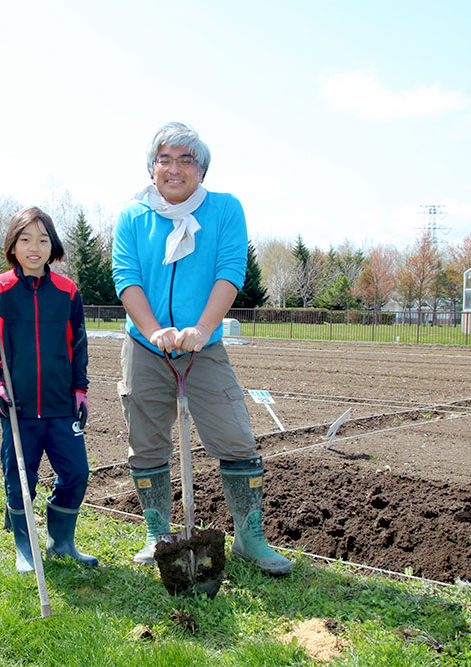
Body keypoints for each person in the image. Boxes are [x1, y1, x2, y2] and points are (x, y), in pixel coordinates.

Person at [111, 122, 292, 576]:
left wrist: (202, 328)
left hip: (203, 347)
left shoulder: (225, 210)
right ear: (152, 170)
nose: (175, 169)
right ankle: (157, 534)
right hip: (145, 346)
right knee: (147, 441)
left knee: (234, 436)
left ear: (202, 170)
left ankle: (250, 537)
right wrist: (154, 331)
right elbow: (126, 279)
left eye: (186, 160)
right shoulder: (132, 217)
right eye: (165, 159)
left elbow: (230, 272)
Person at [0, 206, 98, 572]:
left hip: (61, 404)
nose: (34, 247)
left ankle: (61, 542)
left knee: (76, 472)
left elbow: (78, 343)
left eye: (42, 239)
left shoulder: (67, 291)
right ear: (13, 245)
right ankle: (25, 549)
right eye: (25, 239)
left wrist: (81, 390)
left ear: (52, 246)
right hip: (19, 407)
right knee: (20, 479)